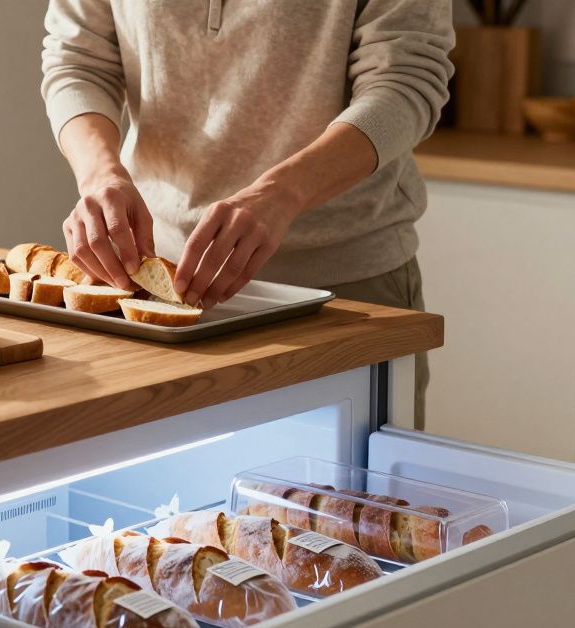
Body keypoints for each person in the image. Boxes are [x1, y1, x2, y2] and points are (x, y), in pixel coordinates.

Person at [40, 0, 454, 427]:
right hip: (157, 291)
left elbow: (405, 81)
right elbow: (78, 61)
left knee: (348, 494)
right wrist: (99, 175)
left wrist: (282, 194)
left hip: (345, 289)